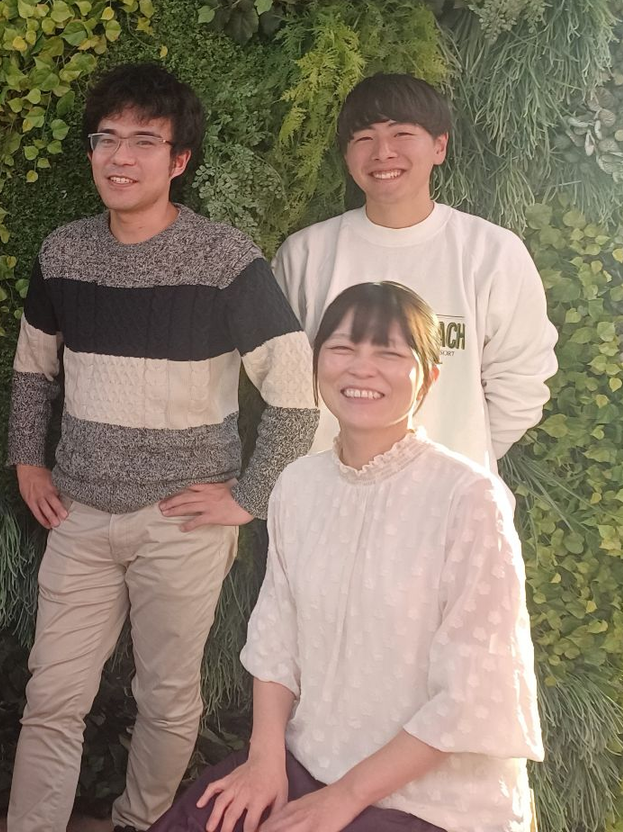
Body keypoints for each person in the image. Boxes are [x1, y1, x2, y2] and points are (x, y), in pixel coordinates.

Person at [5, 63, 320, 832]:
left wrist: (247, 499)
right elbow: (33, 371)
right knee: (50, 699)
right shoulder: (63, 253)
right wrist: (28, 460)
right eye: (107, 138)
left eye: (144, 141)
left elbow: (297, 391)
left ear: (179, 159)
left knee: (168, 700)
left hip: (183, 523)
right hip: (78, 515)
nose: (121, 157)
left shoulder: (224, 259)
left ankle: (142, 822)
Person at [150, 281, 543, 832]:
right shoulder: (298, 485)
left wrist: (344, 798)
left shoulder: (468, 498)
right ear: (317, 363)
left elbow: (474, 693)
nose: (362, 368)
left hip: (435, 800)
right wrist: (264, 761)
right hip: (308, 763)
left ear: (429, 377)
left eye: (389, 353)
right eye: (342, 348)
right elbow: (277, 638)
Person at [272, 74, 558, 474]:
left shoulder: (492, 253)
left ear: (439, 146)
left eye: (402, 134)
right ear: (347, 155)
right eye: (364, 138)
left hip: (450, 497)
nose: (383, 152)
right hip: (327, 493)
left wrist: (460, 460)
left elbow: (521, 381)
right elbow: (283, 385)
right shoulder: (305, 254)